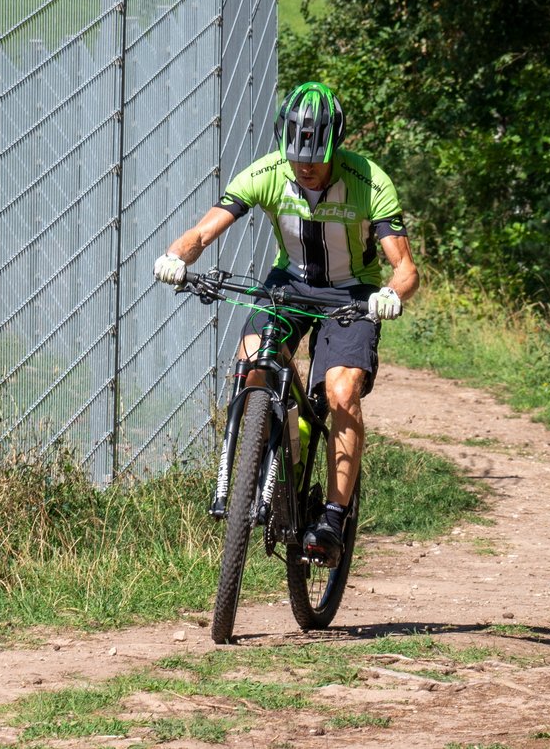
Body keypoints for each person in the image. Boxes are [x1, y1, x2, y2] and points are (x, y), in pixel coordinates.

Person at [152, 81, 420, 562]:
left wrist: (389, 296)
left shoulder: (369, 181)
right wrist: (176, 257)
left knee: (341, 392)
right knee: (253, 361)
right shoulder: (269, 173)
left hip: (353, 293)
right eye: (297, 159)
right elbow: (203, 231)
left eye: (316, 159)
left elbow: (405, 269)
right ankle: (270, 453)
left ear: (336, 146)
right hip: (288, 285)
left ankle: (334, 517)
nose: (306, 169)